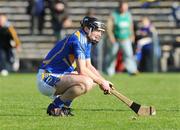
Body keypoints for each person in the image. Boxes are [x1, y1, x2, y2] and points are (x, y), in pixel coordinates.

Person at [36, 16, 112, 117]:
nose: (99, 34)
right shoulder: (78, 40)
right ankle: (55, 106)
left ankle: (63, 108)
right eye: (97, 30)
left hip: (60, 76)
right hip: (46, 78)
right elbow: (82, 70)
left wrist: (103, 81)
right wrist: (101, 82)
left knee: (92, 81)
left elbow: (89, 66)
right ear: (86, 29)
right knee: (87, 81)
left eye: (101, 32)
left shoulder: (86, 41)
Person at [106, 0, 138, 75]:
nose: (124, 9)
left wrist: (132, 35)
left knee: (129, 55)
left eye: (126, 7)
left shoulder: (128, 15)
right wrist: (111, 36)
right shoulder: (114, 15)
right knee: (112, 55)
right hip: (116, 39)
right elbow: (109, 27)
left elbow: (131, 26)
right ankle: (109, 71)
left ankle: (132, 71)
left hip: (126, 39)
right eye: (123, 7)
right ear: (120, 7)